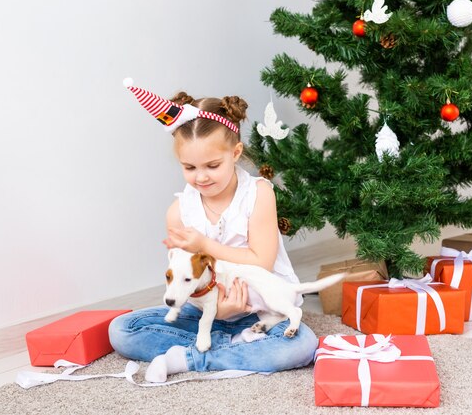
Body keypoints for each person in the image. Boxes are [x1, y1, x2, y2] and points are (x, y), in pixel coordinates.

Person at [109, 84, 318, 382]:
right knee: (121, 330)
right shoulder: (178, 212)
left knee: (301, 346)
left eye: (213, 165)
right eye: (190, 167)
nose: (202, 176)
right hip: (205, 311)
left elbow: (261, 262)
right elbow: (185, 279)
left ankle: (188, 357)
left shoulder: (258, 194)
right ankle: (229, 347)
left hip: (260, 310)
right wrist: (216, 310)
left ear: (235, 153)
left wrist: (204, 243)